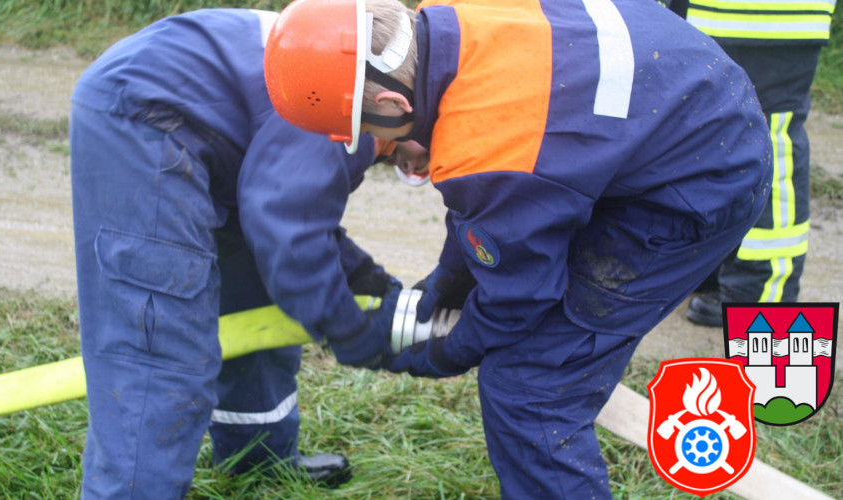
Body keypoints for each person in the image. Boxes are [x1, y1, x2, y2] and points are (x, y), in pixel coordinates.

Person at [263, 0, 773, 498]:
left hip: (701, 182)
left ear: (396, 105)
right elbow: (499, 206)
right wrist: (451, 280)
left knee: (529, 388)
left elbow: (519, 297)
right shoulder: (453, 17)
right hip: (685, 104)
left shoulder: (488, 146)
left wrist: (444, 353)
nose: (387, 151)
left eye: (374, 134)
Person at [69, 8, 426, 498]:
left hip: (219, 139)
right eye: (421, 161)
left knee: (256, 306)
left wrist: (368, 280)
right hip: (147, 119)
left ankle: (256, 460)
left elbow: (297, 209)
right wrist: (350, 332)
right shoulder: (347, 108)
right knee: (161, 351)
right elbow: (289, 228)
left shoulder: (377, 69)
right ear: (401, 108)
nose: (414, 167)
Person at [682, 0, 838, 326]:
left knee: (767, 142)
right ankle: (722, 268)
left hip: (763, 17)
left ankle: (764, 298)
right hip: (717, 16)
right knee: (710, 140)